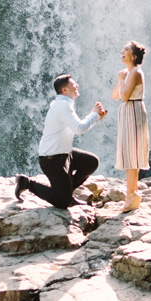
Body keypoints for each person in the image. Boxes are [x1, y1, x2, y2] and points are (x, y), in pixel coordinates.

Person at [15, 74, 107, 208]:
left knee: (91, 162)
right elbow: (79, 128)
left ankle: (67, 192)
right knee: (63, 203)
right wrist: (93, 114)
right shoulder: (63, 105)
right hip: (52, 159)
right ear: (65, 90)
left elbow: (77, 125)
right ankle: (27, 183)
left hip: (64, 153)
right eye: (74, 85)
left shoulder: (63, 104)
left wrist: (96, 118)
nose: (77, 86)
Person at [112, 40, 149, 211]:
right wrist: (120, 79)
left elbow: (124, 96)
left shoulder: (135, 73)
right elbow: (115, 96)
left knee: (131, 154)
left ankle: (132, 195)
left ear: (134, 56)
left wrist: (122, 80)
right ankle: (132, 194)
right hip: (128, 111)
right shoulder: (128, 73)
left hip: (133, 109)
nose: (122, 51)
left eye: (126, 49)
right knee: (129, 153)